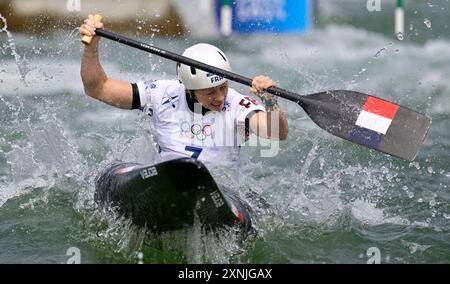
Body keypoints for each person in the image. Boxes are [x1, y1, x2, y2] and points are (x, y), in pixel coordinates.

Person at [79, 15, 288, 166]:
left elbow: (277, 134)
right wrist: (91, 47)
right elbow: (98, 88)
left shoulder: (238, 105)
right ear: (189, 90)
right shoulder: (162, 93)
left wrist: (270, 101)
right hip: (168, 180)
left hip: (221, 187)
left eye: (223, 87)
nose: (220, 97)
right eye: (210, 92)